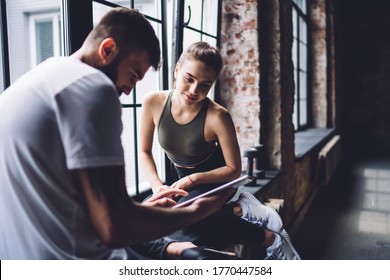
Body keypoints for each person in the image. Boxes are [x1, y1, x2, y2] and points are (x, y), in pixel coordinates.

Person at [0, 7, 234, 260]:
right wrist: (197, 210)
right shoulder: (92, 88)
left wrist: (135, 209)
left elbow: (68, 203)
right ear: (108, 49)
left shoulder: (41, 77)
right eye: (133, 75)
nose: (129, 90)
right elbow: (113, 227)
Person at [138, 42, 301, 260]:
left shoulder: (218, 116)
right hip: (183, 183)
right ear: (177, 71)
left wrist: (193, 180)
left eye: (205, 85)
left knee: (189, 215)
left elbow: (234, 169)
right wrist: (159, 188)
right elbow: (144, 151)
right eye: (189, 79)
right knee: (153, 218)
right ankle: (239, 211)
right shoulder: (153, 102)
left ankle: (269, 239)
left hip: (218, 181)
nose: (194, 90)